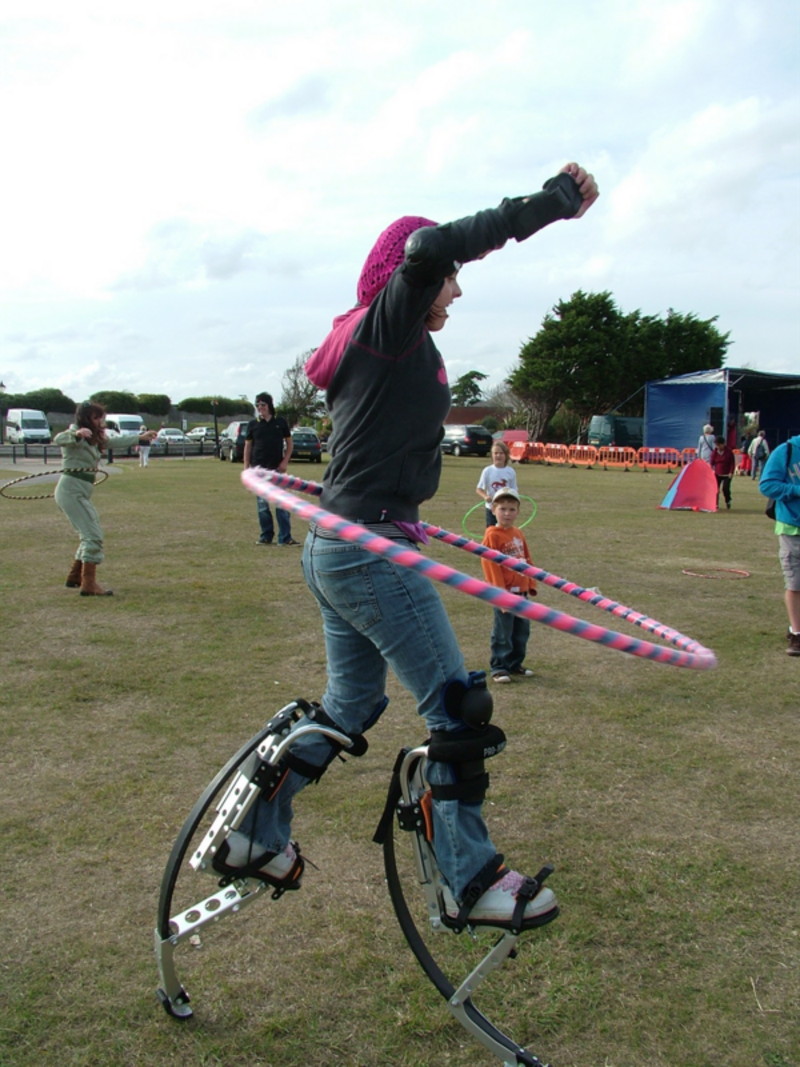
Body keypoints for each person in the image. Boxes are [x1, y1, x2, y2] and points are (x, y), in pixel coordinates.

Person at [212, 162, 599, 930]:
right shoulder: (388, 325)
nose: (457, 289)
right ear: (411, 279)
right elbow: (430, 245)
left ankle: (254, 830)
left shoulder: (383, 339)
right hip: (367, 546)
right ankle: (472, 879)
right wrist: (553, 204)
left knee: (354, 701)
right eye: (449, 279)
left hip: (344, 542)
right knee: (458, 706)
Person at [54, 402, 158, 596]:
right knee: (93, 536)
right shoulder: (76, 433)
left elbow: (114, 442)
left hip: (81, 492)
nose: (100, 421)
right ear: (85, 418)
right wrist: (76, 435)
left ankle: (75, 576)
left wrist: (140, 437)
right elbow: (59, 439)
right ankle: (88, 584)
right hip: (70, 491)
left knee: (90, 530)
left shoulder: (95, 437)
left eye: (101, 417)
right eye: (96, 417)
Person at [480, 489, 537, 683]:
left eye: (512, 509)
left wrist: (530, 582)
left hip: (521, 592)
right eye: (502, 509)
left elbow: (526, 559)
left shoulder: (518, 533)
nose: (507, 513)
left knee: (521, 630)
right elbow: (490, 565)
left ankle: (514, 664)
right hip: (504, 594)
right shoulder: (492, 535)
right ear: (494, 510)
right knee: (503, 632)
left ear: (518, 512)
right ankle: (499, 667)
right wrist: (499, 594)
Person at [759, 434, 800, 656]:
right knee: (795, 583)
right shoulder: (787, 451)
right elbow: (767, 485)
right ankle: (796, 633)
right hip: (792, 528)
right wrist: (796, 490)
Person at [244, 392, 299, 546]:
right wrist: (246, 467)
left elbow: (289, 443)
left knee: (281, 505)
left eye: (263, 405)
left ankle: (285, 537)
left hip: (277, 469)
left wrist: (285, 461)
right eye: (258, 405)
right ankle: (266, 536)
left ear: (269, 406)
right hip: (258, 470)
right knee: (262, 506)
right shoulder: (253, 424)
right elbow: (248, 446)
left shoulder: (280, 422)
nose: (260, 408)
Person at [476, 441, 518, 527]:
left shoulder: (510, 472)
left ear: (506, 455)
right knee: (491, 530)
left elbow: (514, 490)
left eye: (501, 453)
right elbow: (479, 489)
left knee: (505, 530)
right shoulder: (487, 471)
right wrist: (485, 496)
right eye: (496, 453)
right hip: (491, 508)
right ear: (492, 455)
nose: (498, 455)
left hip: (505, 509)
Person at [710, 436, 735, 510]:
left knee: (725, 488)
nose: (718, 447)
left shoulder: (729, 452)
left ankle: (728, 500)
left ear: (723, 444)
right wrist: (712, 470)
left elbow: (732, 463)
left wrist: (731, 472)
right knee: (715, 489)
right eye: (716, 445)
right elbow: (712, 462)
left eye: (719, 445)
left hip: (727, 474)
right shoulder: (715, 452)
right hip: (717, 473)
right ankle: (715, 504)